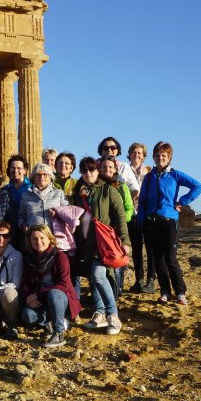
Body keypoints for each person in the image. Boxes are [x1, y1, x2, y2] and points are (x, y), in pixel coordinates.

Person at [137, 142, 201, 305]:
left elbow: (198, 186)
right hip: (151, 222)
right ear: (153, 157)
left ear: (169, 158)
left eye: (164, 156)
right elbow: (143, 200)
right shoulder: (149, 177)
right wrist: (141, 221)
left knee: (171, 258)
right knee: (158, 258)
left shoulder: (175, 175)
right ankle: (165, 291)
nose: (160, 158)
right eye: (158, 155)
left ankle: (180, 292)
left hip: (169, 221)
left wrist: (182, 201)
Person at [73, 157, 129, 336]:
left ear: (97, 171)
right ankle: (100, 312)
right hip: (85, 244)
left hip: (103, 244)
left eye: (91, 170)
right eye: (84, 171)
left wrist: (125, 241)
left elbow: (120, 216)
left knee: (98, 275)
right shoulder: (79, 192)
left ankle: (113, 315)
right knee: (92, 277)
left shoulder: (108, 190)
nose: (88, 173)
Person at [20, 224, 81, 348]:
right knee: (27, 316)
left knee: (53, 294)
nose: (38, 241)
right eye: (34, 239)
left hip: (60, 298)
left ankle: (59, 332)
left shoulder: (60, 257)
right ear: (30, 241)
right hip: (41, 300)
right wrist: (28, 297)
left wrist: (36, 295)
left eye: (42, 238)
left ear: (49, 238)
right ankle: (50, 321)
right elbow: (26, 283)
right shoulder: (30, 259)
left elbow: (63, 285)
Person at [100, 155, 134, 297]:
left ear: (115, 169)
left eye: (110, 167)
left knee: (118, 264)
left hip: (117, 229)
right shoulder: (96, 185)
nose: (107, 169)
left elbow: (129, 207)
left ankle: (116, 292)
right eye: (104, 167)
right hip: (102, 231)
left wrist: (118, 221)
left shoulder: (121, 185)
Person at [126, 143, 154, 293]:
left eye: (140, 153)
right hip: (132, 214)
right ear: (129, 154)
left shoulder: (149, 171)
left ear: (144, 156)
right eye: (134, 152)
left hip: (147, 213)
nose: (137, 155)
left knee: (150, 248)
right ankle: (139, 279)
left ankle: (151, 280)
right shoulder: (124, 169)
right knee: (136, 248)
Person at [19, 163, 70, 234]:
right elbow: (21, 217)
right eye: (38, 175)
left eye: (45, 174)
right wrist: (25, 228)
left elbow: (68, 213)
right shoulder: (26, 195)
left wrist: (57, 214)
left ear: (50, 177)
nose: (41, 177)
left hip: (55, 236)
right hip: (33, 238)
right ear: (34, 177)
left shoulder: (59, 193)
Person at [0, 154, 31, 247]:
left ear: (25, 170)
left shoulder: (32, 188)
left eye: (19, 168)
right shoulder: (4, 190)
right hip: (10, 232)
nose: (15, 171)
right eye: (13, 168)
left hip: (28, 230)